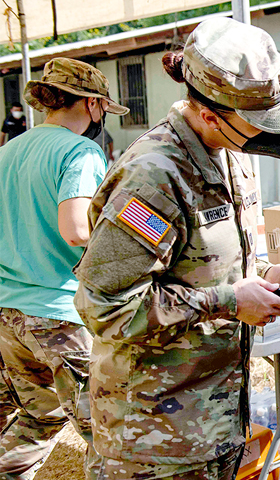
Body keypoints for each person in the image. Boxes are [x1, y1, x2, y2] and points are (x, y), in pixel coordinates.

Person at [73, 17, 280, 479]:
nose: (271, 135)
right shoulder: (152, 178)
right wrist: (227, 301)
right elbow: (104, 306)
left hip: (215, 423)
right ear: (209, 114)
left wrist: (260, 279)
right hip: (153, 440)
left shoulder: (232, 154)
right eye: (259, 124)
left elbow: (205, 265)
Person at [0, 57, 128, 479]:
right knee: (108, 433)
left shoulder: (9, 151)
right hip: (56, 314)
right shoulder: (80, 150)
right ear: (92, 104)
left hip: (7, 312)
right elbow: (75, 229)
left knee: (40, 416)